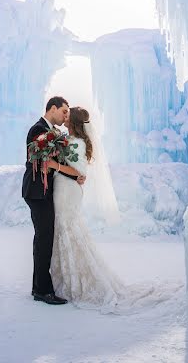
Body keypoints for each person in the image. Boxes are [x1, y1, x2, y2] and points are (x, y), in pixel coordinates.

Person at [47, 106, 157, 314]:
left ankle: (76, 282)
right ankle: (64, 278)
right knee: (63, 229)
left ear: (75, 122)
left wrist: (54, 165)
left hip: (67, 190)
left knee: (67, 228)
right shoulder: (67, 140)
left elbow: (78, 171)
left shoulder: (77, 143)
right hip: (63, 187)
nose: (65, 118)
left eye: (68, 116)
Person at [22, 96, 85, 305]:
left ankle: (37, 287)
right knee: (44, 239)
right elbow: (42, 161)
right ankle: (43, 291)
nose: (66, 115)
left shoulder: (52, 132)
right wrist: (73, 174)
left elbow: (55, 162)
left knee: (43, 239)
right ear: (53, 108)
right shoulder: (38, 129)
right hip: (37, 192)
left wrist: (75, 174)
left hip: (44, 192)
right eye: (64, 111)